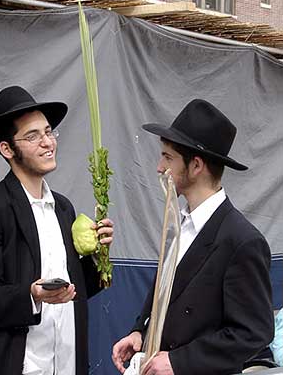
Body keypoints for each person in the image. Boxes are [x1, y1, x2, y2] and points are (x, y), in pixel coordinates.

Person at [0, 85, 113, 375]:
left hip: (67, 367)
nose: (48, 142)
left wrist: (100, 257)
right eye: (33, 136)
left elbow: (76, 291)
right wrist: (31, 295)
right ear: (7, 149)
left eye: (48, 131)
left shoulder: (63, 209)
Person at [112, 99, 274, 375]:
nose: (159, 167)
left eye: (168, 157)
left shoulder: (242, 241)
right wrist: (141, 332)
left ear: (196, 165)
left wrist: (179, 361)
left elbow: (253, 332)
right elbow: (167, 298)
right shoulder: (178, 224)